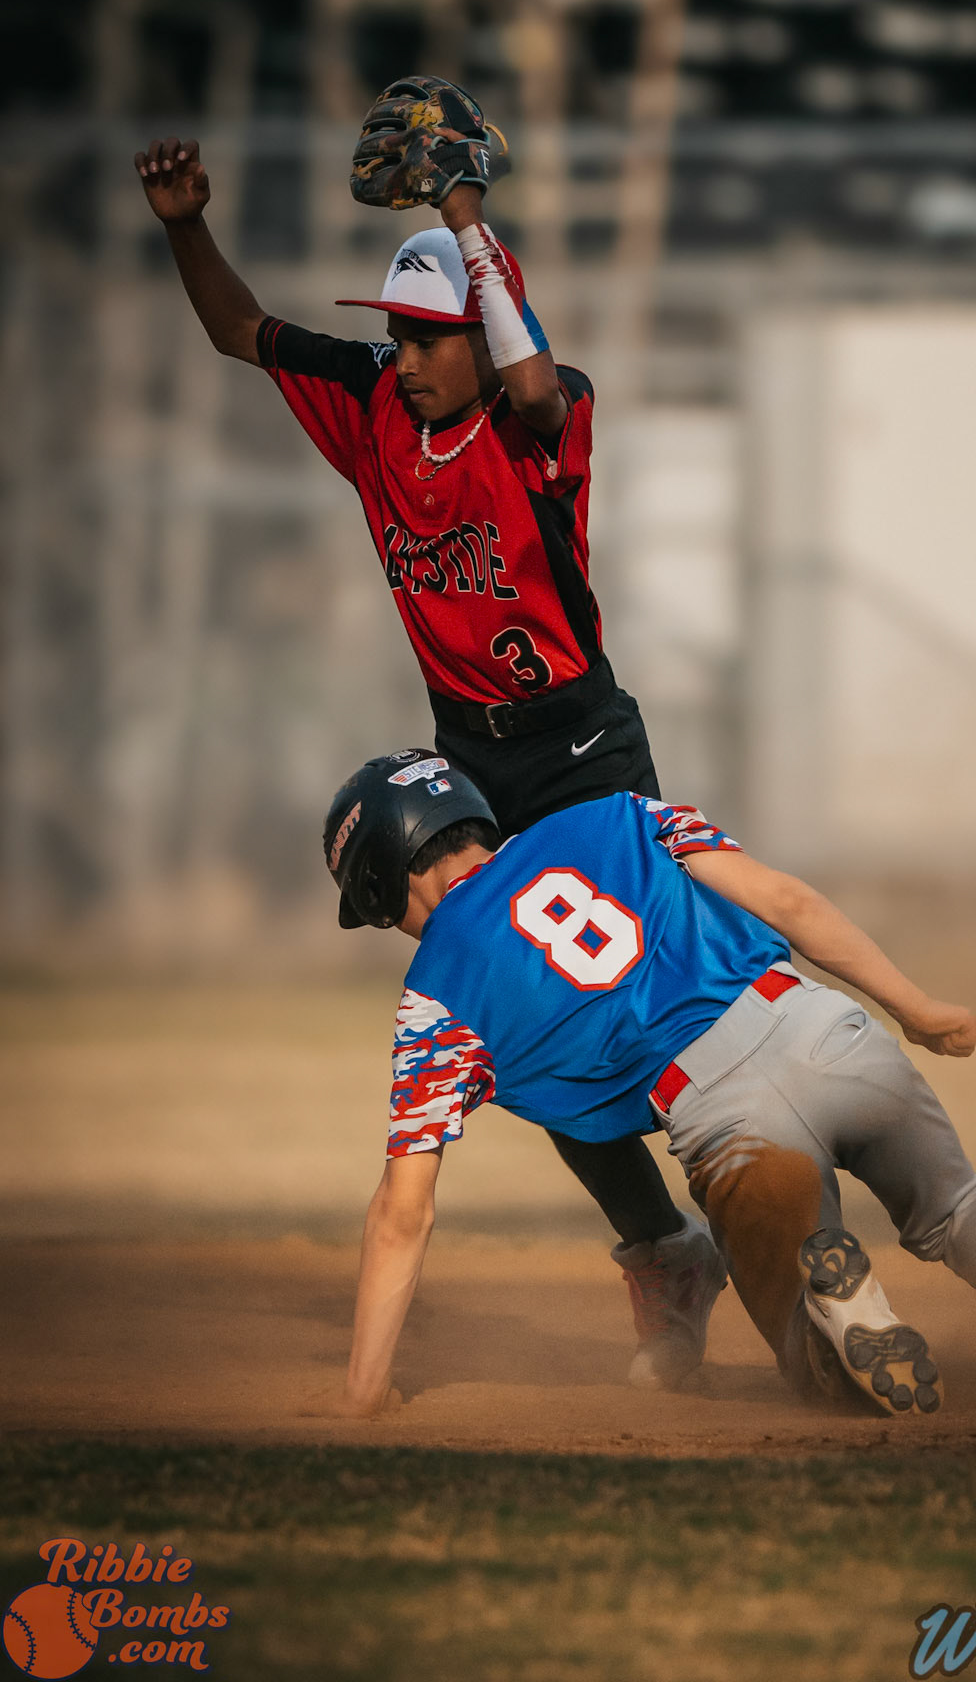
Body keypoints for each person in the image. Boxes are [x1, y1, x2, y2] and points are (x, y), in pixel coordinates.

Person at [132, 78, 720, 1391]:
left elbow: (524, 369)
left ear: (474, 329)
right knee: (529, 1033)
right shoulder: (376, 412)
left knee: (654, 1005)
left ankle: (785, 1223)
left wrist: (463, 207)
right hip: (476, 765)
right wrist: (184, 226)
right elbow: (241, 331)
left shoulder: (538, 417)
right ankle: (662, 1249)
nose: (401, 358)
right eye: (394, 336)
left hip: (583, 747)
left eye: (422, 337)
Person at [314, 752, 976, 1419]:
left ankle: (843, 1313)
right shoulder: (612, 815)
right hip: (825, 1026)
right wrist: (915, 1006)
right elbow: (789, 903)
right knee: (956, 1205)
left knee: (808, 1375)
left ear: (384, 885)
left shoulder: (435, 995)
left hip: (728, 1116)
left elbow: (404, 1211)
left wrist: (364, 1387)